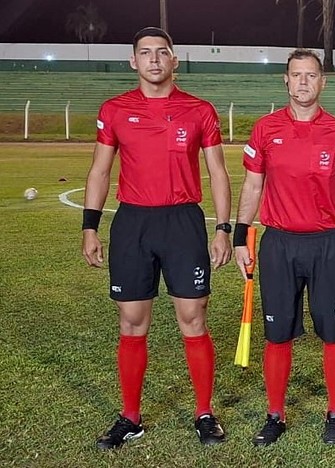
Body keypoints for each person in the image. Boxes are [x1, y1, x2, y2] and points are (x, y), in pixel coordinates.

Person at [82, 26, 232, 450]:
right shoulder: (114, 109)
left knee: (193, 316)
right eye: (145, 53)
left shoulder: (199, 110)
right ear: (133, 61)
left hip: (183, 221)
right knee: (131, 321)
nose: (153, 60)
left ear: (174, 60)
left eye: (161, 53)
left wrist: (222, 228)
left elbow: (217, 172)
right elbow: (100, 170)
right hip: (133, 223)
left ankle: (204, 413)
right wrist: (89, 226)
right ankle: (130, 417)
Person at [233, 48, 335, 447]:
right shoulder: (265, 130)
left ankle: (334, 413)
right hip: (279, 244)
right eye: (297, 75)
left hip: (329, 245)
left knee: (334, 333)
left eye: (311, 75)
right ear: (286, 80)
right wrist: (242, 235)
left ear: (322, 82)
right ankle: (275, 414)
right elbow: (252, 186)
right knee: (276, 335)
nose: (304, 82)